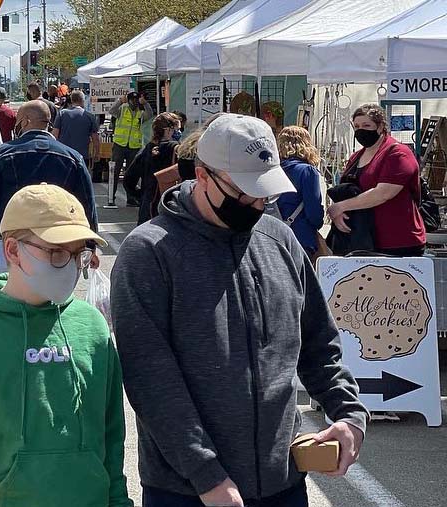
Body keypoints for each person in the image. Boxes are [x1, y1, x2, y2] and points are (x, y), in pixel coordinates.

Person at [111, 114, 369, 507]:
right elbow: (151, 381)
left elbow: (319, 343)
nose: (257, 203)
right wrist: (206, 474)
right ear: (202, 176)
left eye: (265, 193)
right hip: (188, 490)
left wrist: (349, 415)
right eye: (244, 193)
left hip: (283, 481)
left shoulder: (278, 238)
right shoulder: (149, 252)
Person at [0, 184, 131, 507]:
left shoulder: (92, 328)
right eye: (56, 252)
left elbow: (111, 437)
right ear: (12, 250)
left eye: (78, 252)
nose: (70, 265)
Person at [0, 100, 99, 275]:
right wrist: (89, 245)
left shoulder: (3, 155)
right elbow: (87, 205)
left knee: (6, 296)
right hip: (58, 244)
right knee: (52, 298)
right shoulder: (73, 158)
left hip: (10, 242)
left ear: (25, 121)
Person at [327, 104, 426, 256]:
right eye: (357, 126)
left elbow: (383, 193)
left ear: (380, 127)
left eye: (367, 125)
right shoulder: (356, 157)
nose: (360, 130)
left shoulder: (398, 153)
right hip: (362, 240)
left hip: (397, 241)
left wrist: (340, 207)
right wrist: (341, 211)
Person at [276, 126, 325, 257]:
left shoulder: (273, 171)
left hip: (273, 237)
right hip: (300, 238)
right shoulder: (307, 171)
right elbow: (314, 212)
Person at [108, 92, 154, 206]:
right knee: (115, 172)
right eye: (131, 100)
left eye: (136, 100)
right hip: (120, 144)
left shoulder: (141, 112)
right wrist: (120, 101)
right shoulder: (123, 109)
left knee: (131, 174)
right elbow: (111, 111)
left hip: (133, 146)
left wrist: (146, 103)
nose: (134, 102)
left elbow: (150, 115)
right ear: (128, 100)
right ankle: (110, 198)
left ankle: (131, 198)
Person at [135, 112, 181, 224]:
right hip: (168, 205)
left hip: (147, 204)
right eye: (177, 128)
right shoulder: (176, 149)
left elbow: (128, 179)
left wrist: (142, 195)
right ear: (168, 130)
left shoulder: (147, 149)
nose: (179, 132)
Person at [53, 90, 101, 167]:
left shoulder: (62, 113)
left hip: (64, 155)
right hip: (82, 157)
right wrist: (97, 153)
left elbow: (54, 135)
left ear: (71, 100)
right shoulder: (89, 116)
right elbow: (95, 139)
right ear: (83, 100)